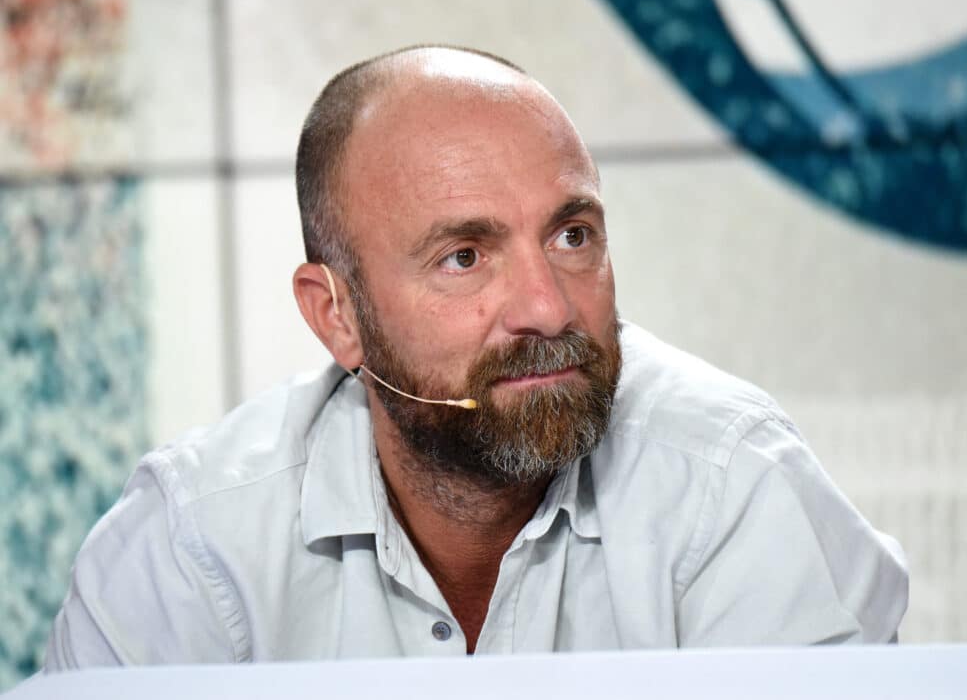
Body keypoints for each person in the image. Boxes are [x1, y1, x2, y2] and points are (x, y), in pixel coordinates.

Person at [44, 45, 907, 668]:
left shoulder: (733, 484)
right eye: (465, 256)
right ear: (336, 316)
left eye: (573, 236)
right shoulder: (194, 546)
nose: (548, 307)